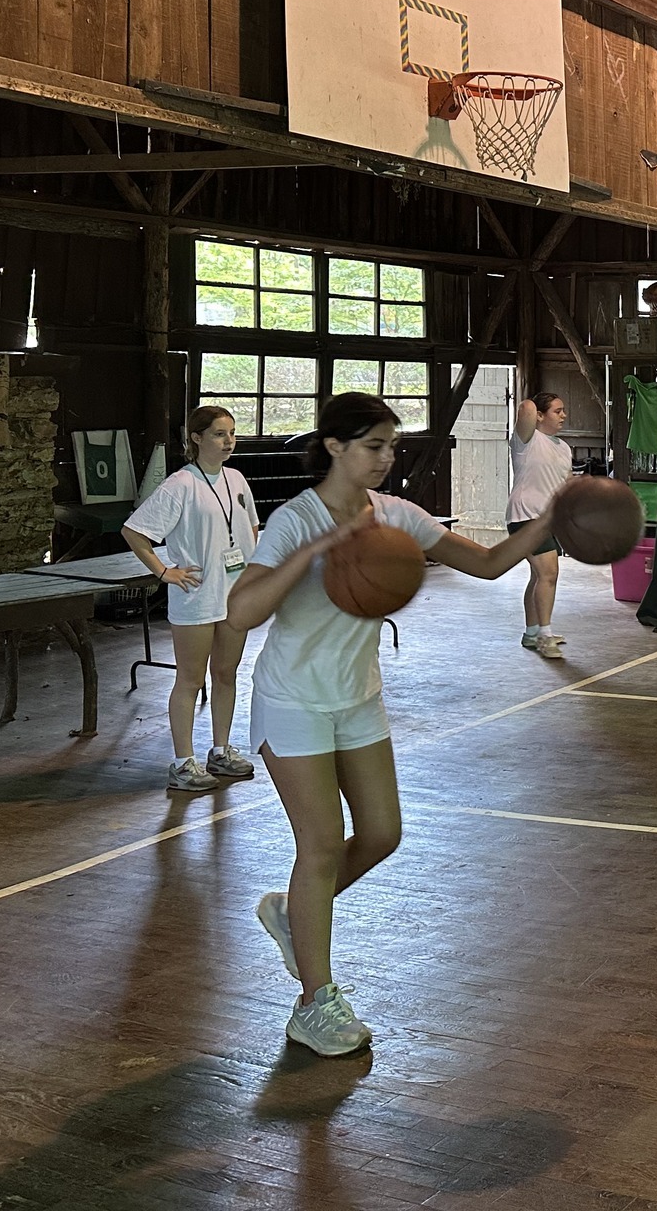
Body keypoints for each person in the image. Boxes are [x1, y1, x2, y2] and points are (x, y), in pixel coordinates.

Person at [227, 393, 554, 1056]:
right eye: (375, 446)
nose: (387, 458)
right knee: (321, 845)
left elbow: (489, 564)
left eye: (392, 447)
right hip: (294, 700)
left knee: (381, 833)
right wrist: (319, 548)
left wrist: (553, 522)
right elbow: (240, 611)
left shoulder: (398, 517)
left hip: (357, 698)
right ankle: (314, 1002)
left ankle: (296, 912)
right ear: (335, 448)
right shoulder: (294, 520)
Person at [122, 405, 262, 793]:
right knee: (190, 678)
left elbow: (250, 526)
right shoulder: (180, 484)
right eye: (219, 434)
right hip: (197, 596)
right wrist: (165, 571)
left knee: (226, 673)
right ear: (196, 439)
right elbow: (135, 532)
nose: (228, 440)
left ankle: (221, 750)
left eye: (232, 433)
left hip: (234, 594)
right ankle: (184, 761)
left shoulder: (236, 479)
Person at [509, 392, 572, 659]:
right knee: (549, 573)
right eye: (557, 411)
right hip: (525, 516)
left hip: (549, 519)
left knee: (538, 576)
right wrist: (534, 407)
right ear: (540, 416)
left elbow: (565, 485)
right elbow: (525, 407)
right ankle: (546, 636)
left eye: (563, 410)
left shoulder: (564, 448)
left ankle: (532, 633)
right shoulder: (525, 441)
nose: (563, 416)